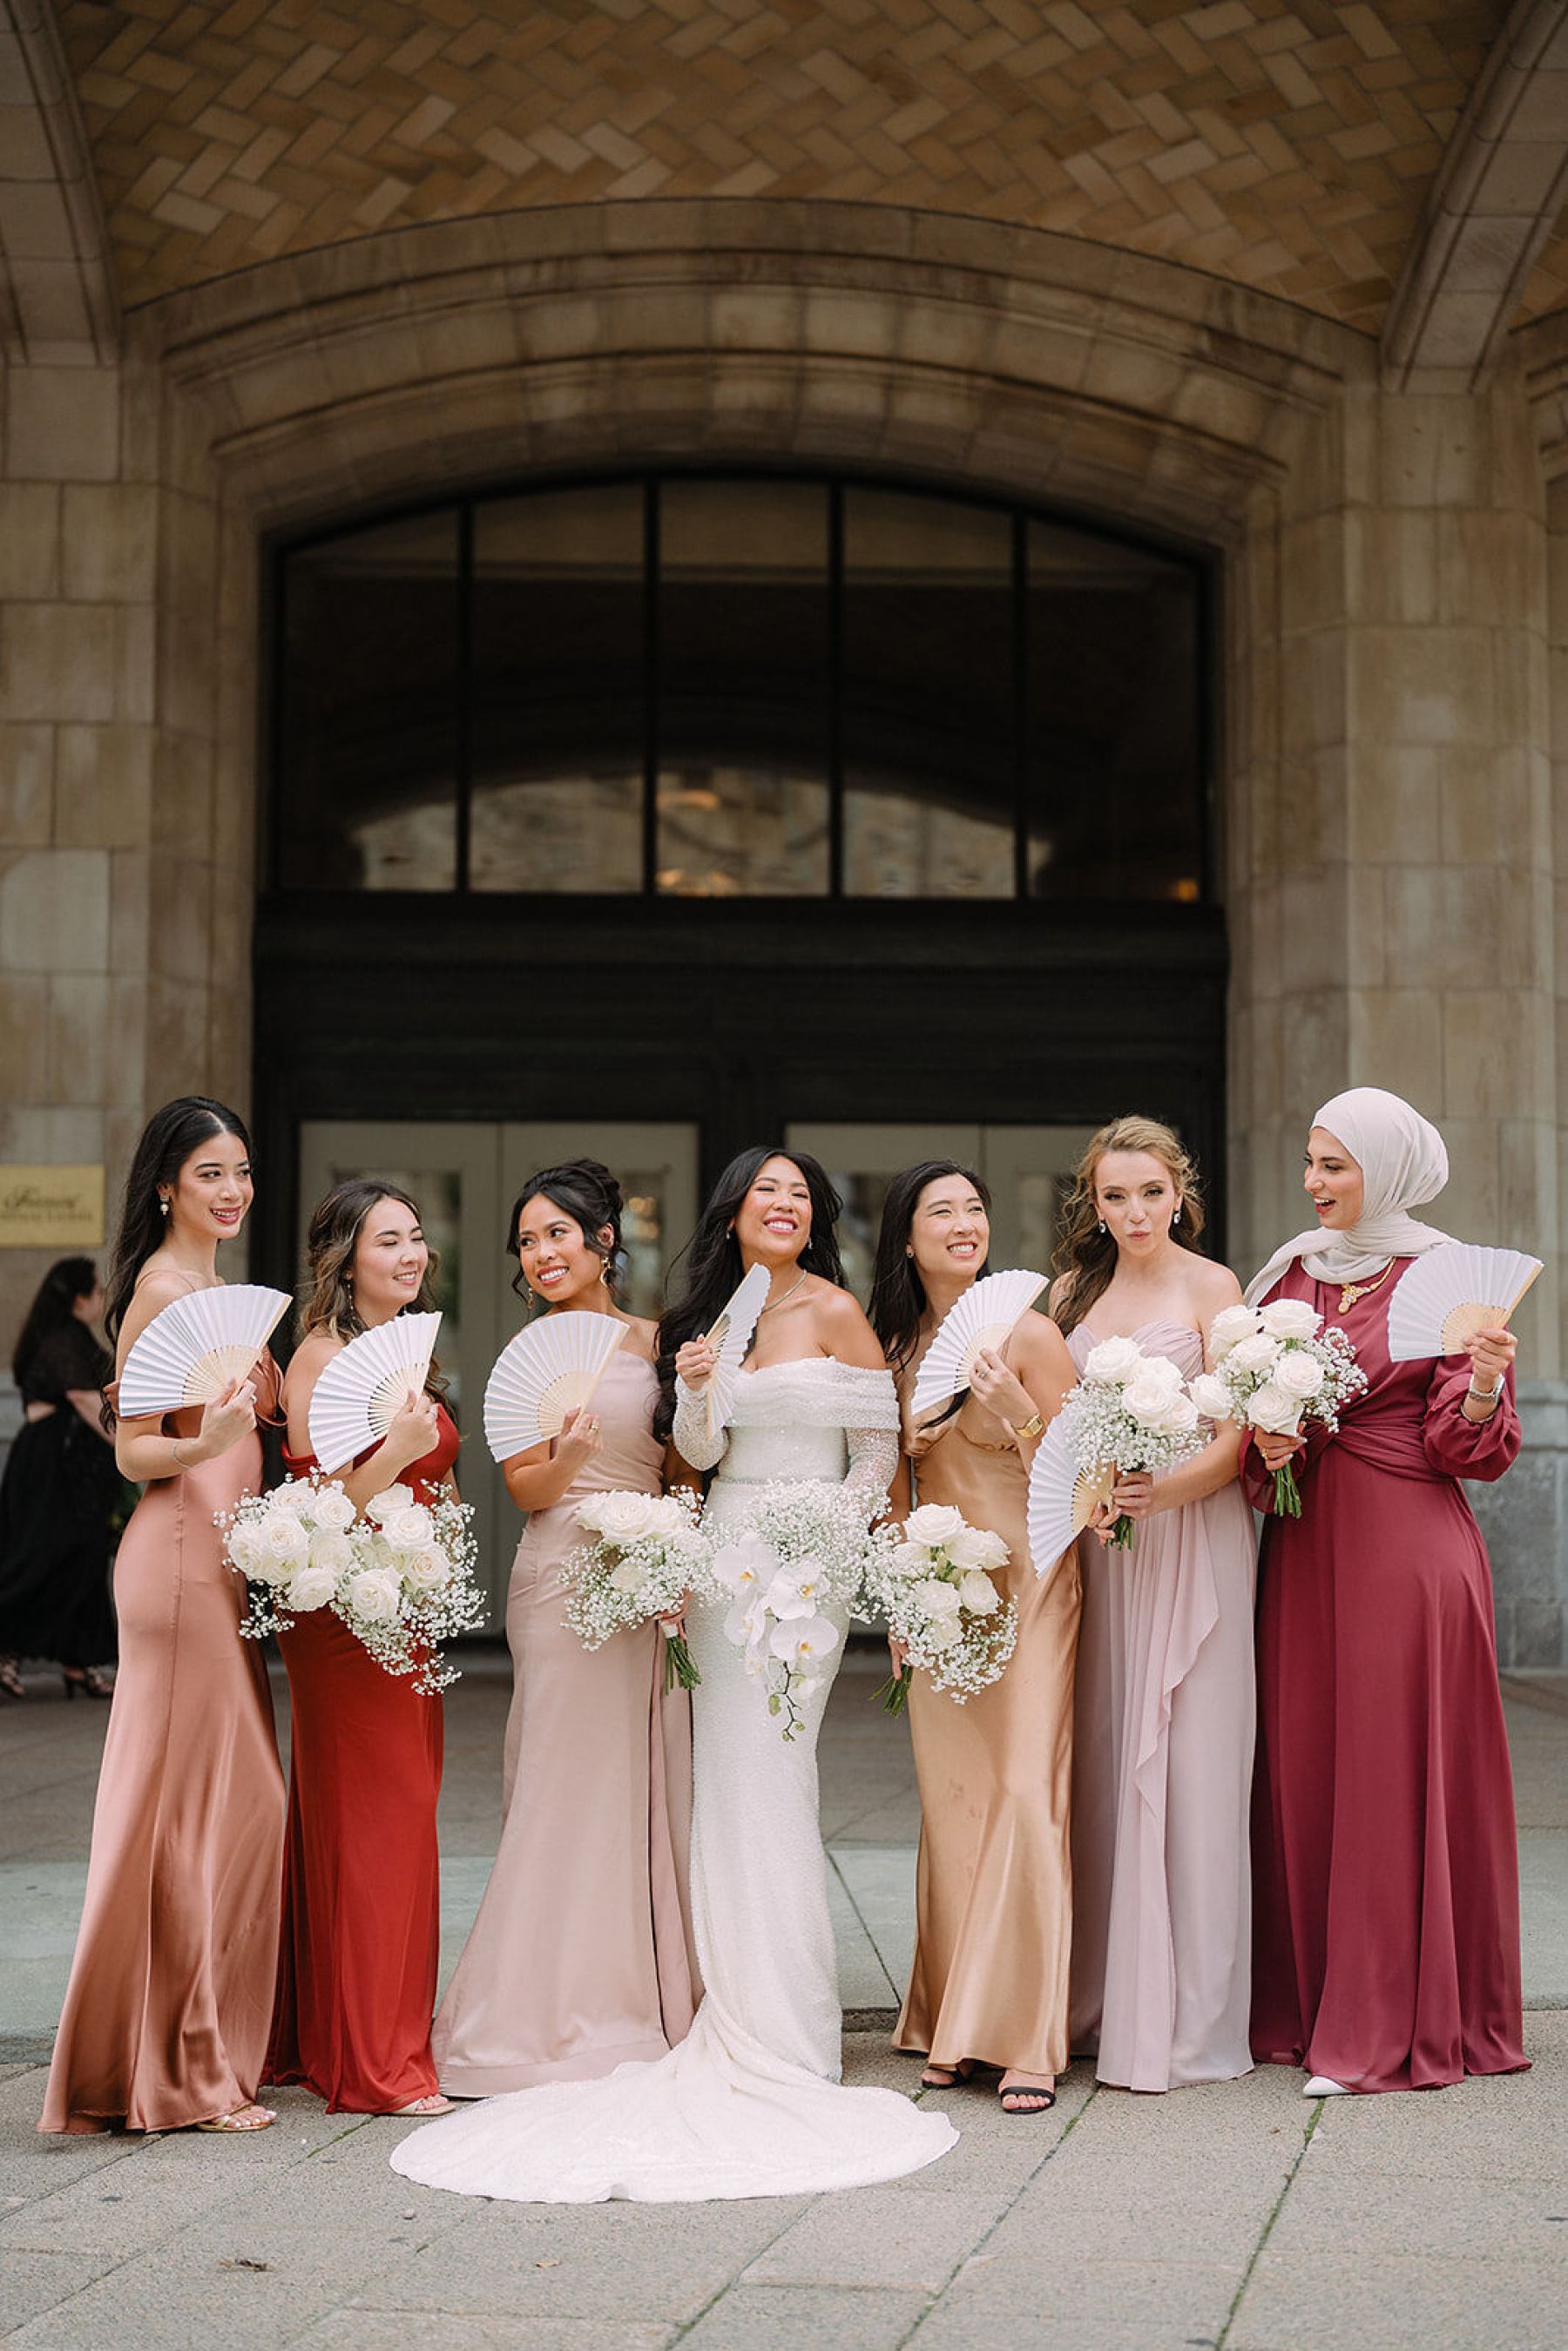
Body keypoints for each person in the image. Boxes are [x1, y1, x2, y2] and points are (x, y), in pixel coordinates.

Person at [390, 1147, 956, 2201]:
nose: (780, 1205)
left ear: (814, 1215)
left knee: (775, 1773)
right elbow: (694, 1448)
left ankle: (787, 2022)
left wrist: (831, 1534)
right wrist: (697, 1388)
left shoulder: (837, 1310)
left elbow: (877, 1451)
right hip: (720, 1559)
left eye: (797, 1193)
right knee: (713, 1782)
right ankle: (718, 2001)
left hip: (807, 1564)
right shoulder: (708, 1320)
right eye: (763, 1191)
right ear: (733, 1213)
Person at [1246, 1086, 1528, 2096]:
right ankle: (1306, 2004)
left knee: (1387, 1768)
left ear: (1389, 1169)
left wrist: (1484, 1380)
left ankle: (1381, 2022)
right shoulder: (1291, 1272)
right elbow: (1245, 1418)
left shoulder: (1448, 1275)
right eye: (1311, 1161)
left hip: (1408, 1553)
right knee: (1306, 1760)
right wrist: (1265, 1437)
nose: (1313, 1181)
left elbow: (1464, 1447)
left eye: (1335, 1164)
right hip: (1303, 1543)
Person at [41, 1098, 286, 2135]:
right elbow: (133, 1447)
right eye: (211, 1173)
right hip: (177, 1554)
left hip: (217, 1565)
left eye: (242, 1171)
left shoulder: (217, 1290)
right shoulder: (159, 1291)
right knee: (194, 1816)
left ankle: (180, 2046)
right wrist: (211, 1439)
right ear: (166, 1186)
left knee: (227, 1806)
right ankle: (181, 2070)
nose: (233, 1190)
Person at [431, 1159, 698, 2094]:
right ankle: (539, 2007)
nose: (542, 1253)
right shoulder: (528, 1356)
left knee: (640, 1783)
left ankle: (645, 1990)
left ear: (603, 1239)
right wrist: (573, 1451)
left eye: (557, 1233)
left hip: (647, 1578)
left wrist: (676, 1559)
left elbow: (683, 1469)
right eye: (528, 1241)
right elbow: (526, 1489)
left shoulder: (660, 1343)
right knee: (558, 1781)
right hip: (559, 1581)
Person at [871, 1161, 1079, 2115]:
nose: (964, 1224)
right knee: (954, 1801)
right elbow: (893, 1491)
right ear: (907, 1238)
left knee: (1025, 1790)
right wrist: (899, 1599)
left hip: (1033, 1583)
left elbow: (1087, 1478)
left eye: (975, 1209)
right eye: (940, 1211)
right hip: (939, 1589)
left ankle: (1027, 2034)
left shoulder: (1030, 1331)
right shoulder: (896, 1348)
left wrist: (1018, 1412)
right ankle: (955, 2017)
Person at [1056, 1116, 1257, 2092]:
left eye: (1150, 1192)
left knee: (1197, 1767)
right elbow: (1055, 1428)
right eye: (1115, 1195)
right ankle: (1104, 1997)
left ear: (1180, 1193)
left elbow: (1239, 1435)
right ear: (1093, 1204)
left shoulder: (1215, 1287)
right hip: (1106, 1551)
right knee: (1104, 1756)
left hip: (1194, 1532)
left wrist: (1161, 1493)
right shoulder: (1070, 1295)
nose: (1134, 1212)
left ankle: (1191, 2018)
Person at [265, 1181, 456, 2118]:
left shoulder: (407, 1346)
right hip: (340, 1609)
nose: (410, 1253)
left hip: (404, 1598)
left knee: (403, 1813)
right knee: (375, 1820)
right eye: (389, 1240)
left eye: (416, 1236)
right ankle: (374, 2061)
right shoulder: (319, 1356)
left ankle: (351, 2030)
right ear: (345, 1259)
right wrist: (398, 1450)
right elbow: (318, 1504)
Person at [0, 1257, 120, 1700]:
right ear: (78, 1299)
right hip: (55, 1468)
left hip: (67, 1466)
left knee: (82, 1558)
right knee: (45, 1557)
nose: (102, 1298)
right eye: (97, 1290)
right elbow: (85, 1400)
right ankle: (6, 1651)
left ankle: (79, 1662)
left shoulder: (63, 1336)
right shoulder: (63, 1339)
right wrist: (129, 1447)